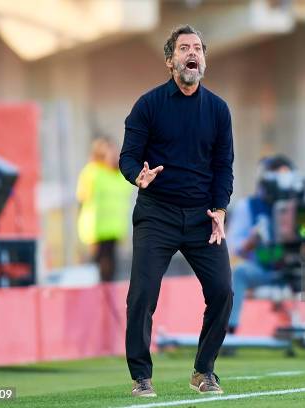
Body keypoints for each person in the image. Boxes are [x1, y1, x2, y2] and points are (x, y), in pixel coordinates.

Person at [119, 25, 234, 397]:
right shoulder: (148, 105)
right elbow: (127, 157)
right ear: (171, 60)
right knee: (142, 293)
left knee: (223, 291)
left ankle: (204, 371)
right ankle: (141, 376)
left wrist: (220, 207)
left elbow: (224, 166)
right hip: (158, 214)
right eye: (184, 48)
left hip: (203, 218)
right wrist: (138, 175)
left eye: (198, 48)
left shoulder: (218, 109)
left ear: (204, 59)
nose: (192, 53)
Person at [226, 155, 294, 335]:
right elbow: (234, 246)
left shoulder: (298, 205)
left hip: (294, 268)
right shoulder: (248, 206)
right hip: (263, 267)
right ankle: (230, 330)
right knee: (239, 272)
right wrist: (250, 242)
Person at [76, 137, 133, 282]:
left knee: (111, 270)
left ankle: (108, 302)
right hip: (96, 232)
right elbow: (83, 201)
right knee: (97, 272)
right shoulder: (92, 173)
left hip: (114, 230)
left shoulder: (120, 175)